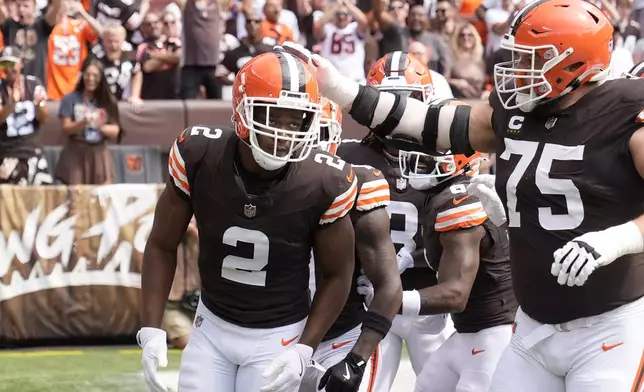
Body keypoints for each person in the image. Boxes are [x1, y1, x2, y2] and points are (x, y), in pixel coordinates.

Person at [281, 0, 644, 390]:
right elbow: (427, 122)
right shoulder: (518, 111)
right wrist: (340, 88)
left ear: (573, 62)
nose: (517, 70)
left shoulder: (624, 111)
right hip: (532, 329)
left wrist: (617, 239)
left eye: (531, 60)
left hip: (608, 327)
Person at [137, 50, 358, 392]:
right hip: (212, 326)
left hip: (279, 336)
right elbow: (162, 243)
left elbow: (338, 274)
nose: (285, 132)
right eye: (274, 116)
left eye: (295, 120)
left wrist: (304, 348)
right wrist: (151, 327)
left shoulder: (323, 180)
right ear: (242, 110)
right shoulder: (200, 154)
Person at [332, 52, 456, 392]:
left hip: (430, 302)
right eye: (388, 102)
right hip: (369, 299)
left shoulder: (449, 157)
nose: (397, 113)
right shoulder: (348, 157)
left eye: (408, 101)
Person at [301, 97, 402, 392]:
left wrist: (356, 359)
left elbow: (389, 286)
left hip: (341, 335)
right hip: (279, 334)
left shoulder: (360, 183)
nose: (304, 143)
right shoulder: (259, 185)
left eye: (315, 134)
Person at [395, 148, 517, 392]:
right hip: (468, 331)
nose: (420, 163)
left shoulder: (461, 200)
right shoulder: (442, 195)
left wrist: (390, 300)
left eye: (430, 157)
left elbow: (456, 295)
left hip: (494, 332)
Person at [55, 58, 121, 185]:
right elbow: (65, 128)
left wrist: (99, 125)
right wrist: (83, 123)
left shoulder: (108, 101)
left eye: (95, 75)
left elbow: (116, 130)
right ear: (82, 75)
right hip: (76, 152)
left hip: (99, 154)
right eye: (88, 74)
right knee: (76, 197)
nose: (91, 78)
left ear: (101, 78)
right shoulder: (70, 99)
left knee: (101, 197)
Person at [0, 45, 51, 185]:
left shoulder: (33, 83)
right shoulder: (0, 87)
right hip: (8, 153)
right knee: (10, 202)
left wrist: (38, 105)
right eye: (5, 64)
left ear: (20, 63)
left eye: (12, 63)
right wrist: (11, 104)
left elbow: (44, 118)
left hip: (33, 150)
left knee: (42, 198)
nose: (9, 69)